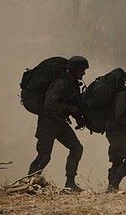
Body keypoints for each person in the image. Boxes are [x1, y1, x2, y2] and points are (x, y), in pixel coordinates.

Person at [28, 55, 88, 190]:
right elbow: (49, 104)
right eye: (82, 70)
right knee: (44, 155)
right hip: (48, 123)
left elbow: (73, 103)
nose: (84, 73)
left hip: (60, 123)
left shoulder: (73, 84)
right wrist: (68, 108)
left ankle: (70, 183)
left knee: (76, 148)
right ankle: (29, 182)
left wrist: (79, 117)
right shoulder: (60, 82)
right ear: (75, 69)